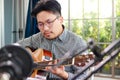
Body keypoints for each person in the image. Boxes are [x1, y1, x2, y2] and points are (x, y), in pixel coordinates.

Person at [17, 0, 88, 80]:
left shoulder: (78, 44)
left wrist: (63, 74)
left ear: (60, 20)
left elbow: (83, 77)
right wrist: (30, 57)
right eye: (40, 24)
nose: (45, 29)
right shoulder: (37, 38)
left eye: (49, 22)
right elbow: (15, 47)